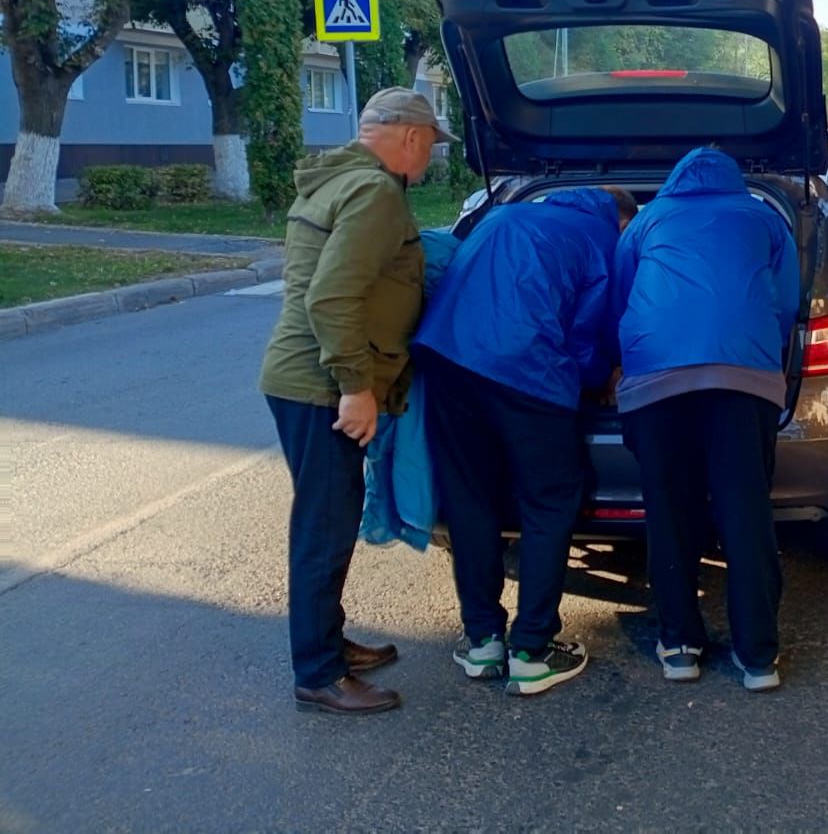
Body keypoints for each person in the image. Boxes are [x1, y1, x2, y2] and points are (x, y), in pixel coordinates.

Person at [258, 87, 455, 715]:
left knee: (328, 520)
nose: (429, 160)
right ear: (412, 138)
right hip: (322, 385)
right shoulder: (373, 192)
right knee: (324, 526)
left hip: (303, 378)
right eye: (430, 147)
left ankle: (328, 643)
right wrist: (355, 387)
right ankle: (318, 672)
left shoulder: (339, 179)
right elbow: (331, 296)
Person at [412, 186, 635, 696]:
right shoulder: (601, 239)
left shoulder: (503, 214)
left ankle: (483, 641)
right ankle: (532, 649)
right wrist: (601, 379)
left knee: (469, 501)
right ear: (621, 220)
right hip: (527, 371)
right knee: (550, 502)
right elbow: (586, 337)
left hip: (446, 362)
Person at [613, 147, 800, 692]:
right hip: (745, 381)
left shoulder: (647, 221)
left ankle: (679, 646)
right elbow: (786, 303)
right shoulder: (765, 218)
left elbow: (620, 299)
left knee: (669, 513)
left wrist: (615, 363)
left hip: (656, 382)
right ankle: (758, 657)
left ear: (673, 181)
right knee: (745, 514)